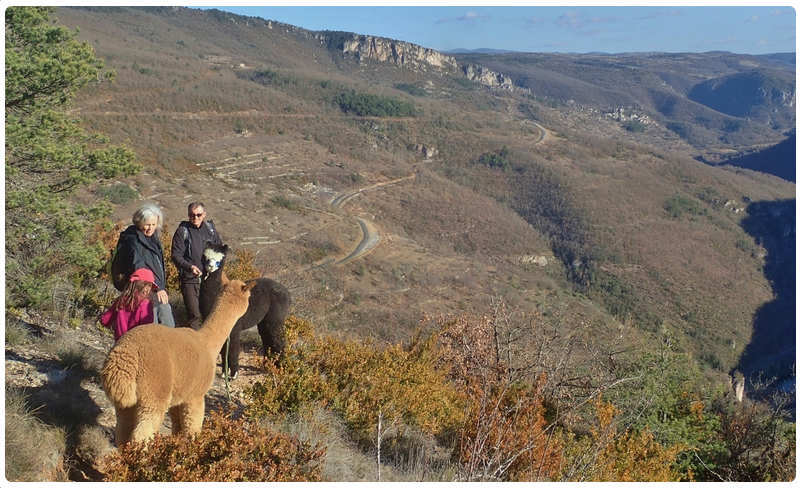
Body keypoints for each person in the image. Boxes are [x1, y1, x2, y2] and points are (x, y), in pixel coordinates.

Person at [116, 202, 176, 328]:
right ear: (139, 222)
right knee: (150, 326)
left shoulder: (152, 237)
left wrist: (160, 287)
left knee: (168, 325)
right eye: (147, 225)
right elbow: (138, 266)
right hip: (144, 290)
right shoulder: (133, 241)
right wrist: (157, 287)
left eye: (154, 224)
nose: (150, 228)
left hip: (157, 289)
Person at [171, 201, 222, 330]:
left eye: (199, 215)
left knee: (210, 313)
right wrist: (190, 267)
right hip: (190, 280)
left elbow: (219, 249)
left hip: (209, 280)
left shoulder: (210, 229)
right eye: (192, 215)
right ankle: (195, 346)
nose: (195, 218)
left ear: (204, 214)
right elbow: (176, 255)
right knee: (194, 314)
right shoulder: (182, 231)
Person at [100, 268, 157, 342]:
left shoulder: (120, 300)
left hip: (119, 342)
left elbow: (105, 320)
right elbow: (146, 328)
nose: (149, 289)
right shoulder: (145, 303)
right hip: (135, 345)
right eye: (149, 285)